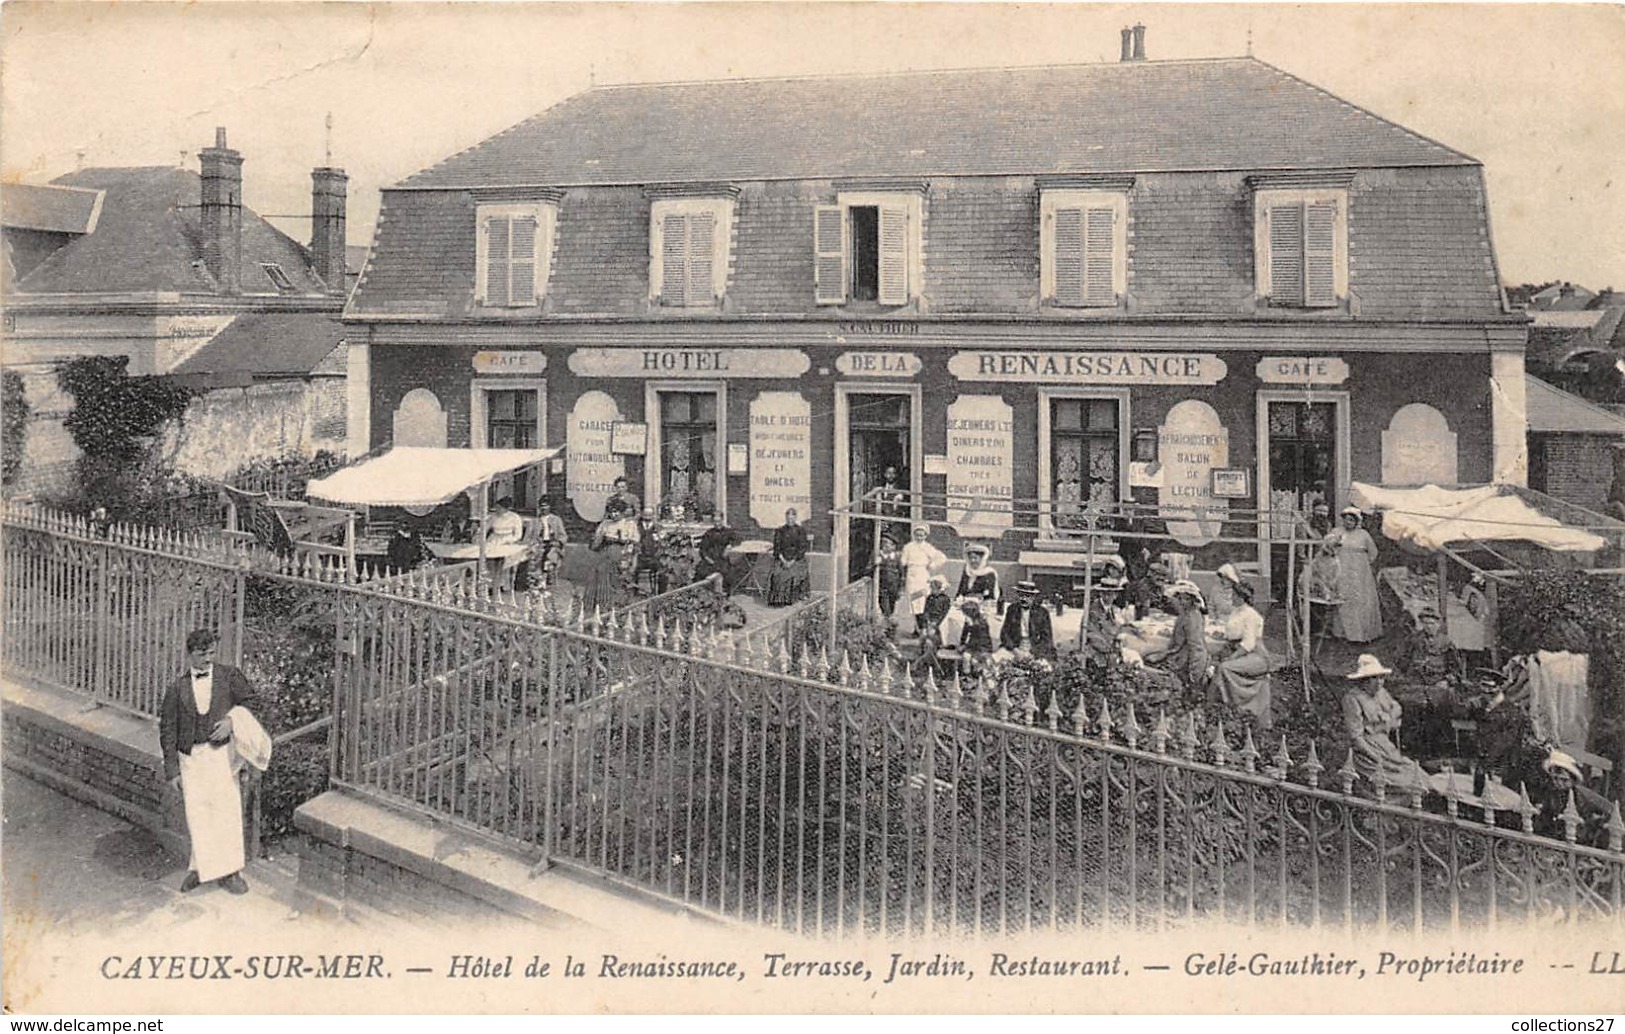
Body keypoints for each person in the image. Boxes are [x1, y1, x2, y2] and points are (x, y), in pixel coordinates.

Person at [159, 629, 257, 895]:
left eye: (211, 653)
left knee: (226, 811)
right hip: (191, 759)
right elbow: (168, 729)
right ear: (190, 655)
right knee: (199, 814)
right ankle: (201, 868)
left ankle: (231, 872)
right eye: (202, 655)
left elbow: (252, 702)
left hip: (221, 756)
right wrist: (172, 771)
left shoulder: (228, 677)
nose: (208, 660)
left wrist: (231, 721)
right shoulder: (177, 689)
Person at [1340, 654, 1430, 795]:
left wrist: (1390, 718)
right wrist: (1376, 758)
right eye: (1373, 678)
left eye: (1381, 677)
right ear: (1363, 681)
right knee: (1402, 783)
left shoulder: (1381, 693)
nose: (1379, 682)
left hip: (1386, 745)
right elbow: (1356, 737)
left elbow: (1396, 707)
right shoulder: (1352, 699)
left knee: (1417, 773)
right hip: (1368, 749)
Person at [1212, 577, 1273, 729]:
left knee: (1225, 667)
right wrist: (1225, 637)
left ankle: (1230, 705)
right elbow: (1233, 633)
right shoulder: (1236, 612)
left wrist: (1231, 657)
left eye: (1233, 595)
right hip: (1241, 652)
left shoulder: (1251, 615)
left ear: (1241, 598)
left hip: (1256, 656)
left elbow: (1248, 644)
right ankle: (1223, 707)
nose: (1231, 598)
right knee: (1216, 662)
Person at [1145, 580, 1211, 697]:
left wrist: (1195, 671)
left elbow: (1196, 646)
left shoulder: (1192, 618)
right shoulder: (1185, 613)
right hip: (1177, 653)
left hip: (1182, 659)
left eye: (1185, 599)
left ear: (1192, 600)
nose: (1181, 601)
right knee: (1147, 657)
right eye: (1179, 598)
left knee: (1147, 667)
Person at [1534, 750, 1613, 847]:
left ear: (1573, 780)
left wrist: (1594, 826)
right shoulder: (1551, 793)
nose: (1559, 783)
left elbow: (1609, 810)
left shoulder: (1583, 795)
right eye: (1555, 778)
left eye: (1564, 780)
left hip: (1579, 840)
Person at [1326, 507, 1383, 643]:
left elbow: (1373, 552)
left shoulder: (1363, 534)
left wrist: (1362, 565)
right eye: (1346, 520)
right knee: (1343, 598)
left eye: (1352, 520)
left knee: (1360, 600)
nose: (1348, 523)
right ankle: (1343, 634)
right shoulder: (1336, 532)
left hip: (1360, 570)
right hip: (1341, 569)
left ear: (1356, 522)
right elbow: (1327, 548)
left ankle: (1361, 635)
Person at [1077, 562, 1128, 670]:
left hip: (1109, 650)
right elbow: (1091, 634)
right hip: (1094, 651)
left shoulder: (1113, 610)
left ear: (1116, 595)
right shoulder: (1093, 611)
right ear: (1101, 593)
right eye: (1106, 593)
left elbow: (1119, 629)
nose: (1108, 596)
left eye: (1112, 594)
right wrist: (1110, 649)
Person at [899, 524, 947, 635]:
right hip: (911, 576)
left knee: (922, 602)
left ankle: (923, 629)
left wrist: (932, 565)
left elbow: (942, 558)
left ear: (925, 535)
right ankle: (917, 628)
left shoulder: (928, 547)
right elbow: (903, 561)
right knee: (913, 602)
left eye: (922, 535)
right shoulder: (908, 547)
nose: (919, 537)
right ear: (914, 534)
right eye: (917, 535)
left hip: (922, 576)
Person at [767, 508, 812, 606]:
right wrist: (783, 560)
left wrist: (792, 561)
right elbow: (777, 547)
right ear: (785, 518)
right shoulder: (780, 531)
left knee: (793, 573)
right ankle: (779, 600)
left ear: (795, 518)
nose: (790, 520)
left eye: (792, 518)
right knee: (778, 574)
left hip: (796, 559)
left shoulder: (801, 530)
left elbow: (802, 547)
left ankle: (792, 598)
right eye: (788, 518)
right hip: (782, 558)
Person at [999, 580, 1055, 659]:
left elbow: (1047, 638)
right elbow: (1004, 634)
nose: (1023, 599)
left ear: (1033, 597)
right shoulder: (1012, 609)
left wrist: (1033, 652)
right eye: (1021, 595)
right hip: (1015, 647)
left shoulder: (1042, 612)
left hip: (1034, 648)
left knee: (1044, 667)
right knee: (995, 661)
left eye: (1027, 596)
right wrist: (1015, 650)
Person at [696, 514, 744, 595]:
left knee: (727, 571)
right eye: (715, 522)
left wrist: (729, 546)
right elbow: (702, 549)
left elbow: (738, 539)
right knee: (704, 571)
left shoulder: (728, 532)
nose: (717, 524)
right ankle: (712, 593)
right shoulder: (709, 533)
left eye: (718, 521)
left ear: (722, 521)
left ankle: (722, 593)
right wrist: (707, 558)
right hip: (710, 559)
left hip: (722, 558)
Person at [530, 497, 569, 589]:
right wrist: (533, 543)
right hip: (539, 544)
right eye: (541, 506)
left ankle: (546, 577)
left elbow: (563, 535)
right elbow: (530, 536)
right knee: (536, 555)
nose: (543, 508)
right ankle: (538, 578)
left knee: (550, 556)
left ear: (549, 507)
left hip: (553, 544)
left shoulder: (556, 520)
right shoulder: (535, 521)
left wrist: (559, 542)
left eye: (546, 506)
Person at [874, 534, 904, 625]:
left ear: (894, 546)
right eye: (883, 543)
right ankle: (889, 628)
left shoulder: (897, 557)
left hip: (894, 588)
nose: (885, 546)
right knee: (885, 609)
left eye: (888, 544)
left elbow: (901, 574)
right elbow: (867, 570)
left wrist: (900, 590)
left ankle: (890, 629)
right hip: (882, 587)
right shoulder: (878, 555)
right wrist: (875, 564)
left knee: (891, 608)